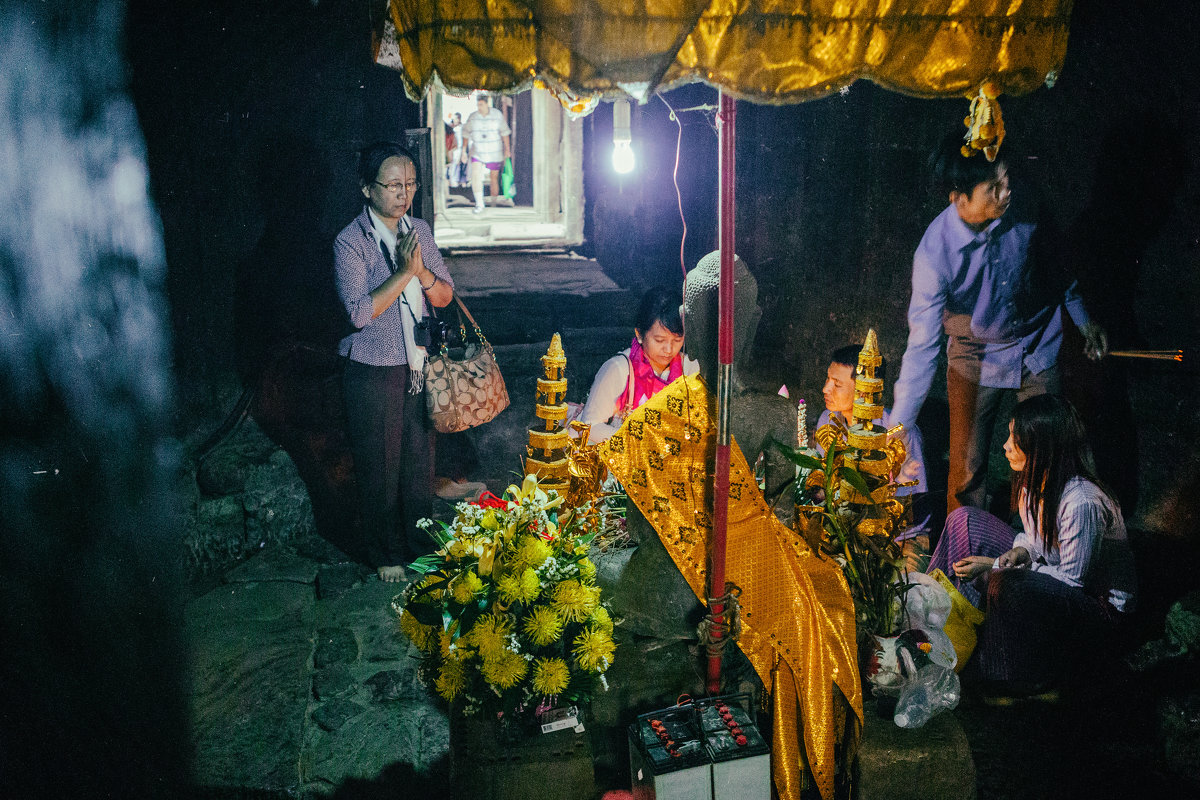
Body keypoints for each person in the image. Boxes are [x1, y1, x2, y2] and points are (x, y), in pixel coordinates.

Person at [890, 131, 1109, 514]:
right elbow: (922, 346)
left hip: (1037, 346)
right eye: (993, 188)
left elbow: (1057, 265)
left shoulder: (1025, 205)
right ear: (959, 197)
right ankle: (966, 565)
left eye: (1007, 180)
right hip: (975, 355)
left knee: (1042, 463)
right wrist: (899, 426)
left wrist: (1083, 319)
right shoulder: (934, 254)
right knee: (966, 471)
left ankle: (1033, 556)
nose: (1007, 192)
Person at [926, 394, 1136, 695]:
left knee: (1003, 582)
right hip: (1057, 577)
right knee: (964, 519)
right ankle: (938, 623)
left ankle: (1004, 676)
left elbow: (1073, 581)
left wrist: (996, 564)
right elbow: (1036, 540)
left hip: (1098, 609)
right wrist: (1020, 550)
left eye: (1016, 439)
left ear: (1043, 448)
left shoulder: (1081, 502)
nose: (1006, 445)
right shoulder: (1034, 481)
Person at [334, 142, 455, 583]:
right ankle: (384, 553)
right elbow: (358, 313)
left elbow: (444, 295)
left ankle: (420, 546)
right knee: (379, 465)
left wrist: (421, 272)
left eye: (410, 184)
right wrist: (404, 272)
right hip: (372, 367)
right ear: (367, 188)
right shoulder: (351, 242)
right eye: (392, 185)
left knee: (418, 464)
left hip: (417, 364)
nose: (404, 194)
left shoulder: (418, 229)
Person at [815, 344, 933, 537]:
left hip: (900, 537)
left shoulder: (897, 433)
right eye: (827, 379)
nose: (825, 389)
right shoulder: (828, 420)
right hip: (847, 530)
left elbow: (912, 508)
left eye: (836, 384)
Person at [575, 285, 698, 443]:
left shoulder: (689, 369)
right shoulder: (619, 369)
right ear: (639, 334)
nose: (668, 349)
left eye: (677, 340)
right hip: (622, 457)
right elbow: (589, 425)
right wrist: (640, 444)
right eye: (659, 340)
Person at [460, 94, 511, 213]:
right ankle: (479, 203)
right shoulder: (473, 117)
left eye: (481, 104)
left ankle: (493, 203)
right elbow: (466, 134)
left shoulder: (497, 115)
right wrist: (463, 151)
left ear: (487, 103)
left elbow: (504, 133)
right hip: (477, 151)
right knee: (476, 175)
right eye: (478, 105)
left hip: (494, 151)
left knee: (494, 177)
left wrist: (507, 149)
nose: (479, 107)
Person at [446, 112, 464, 188]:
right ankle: (452, 180)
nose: (454, 120)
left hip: (459, 148)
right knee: (452, 164)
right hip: (452, 148)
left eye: (455, 119)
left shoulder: (461, 128)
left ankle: (455, 180)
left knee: (457, 164)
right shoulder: (451, 128)